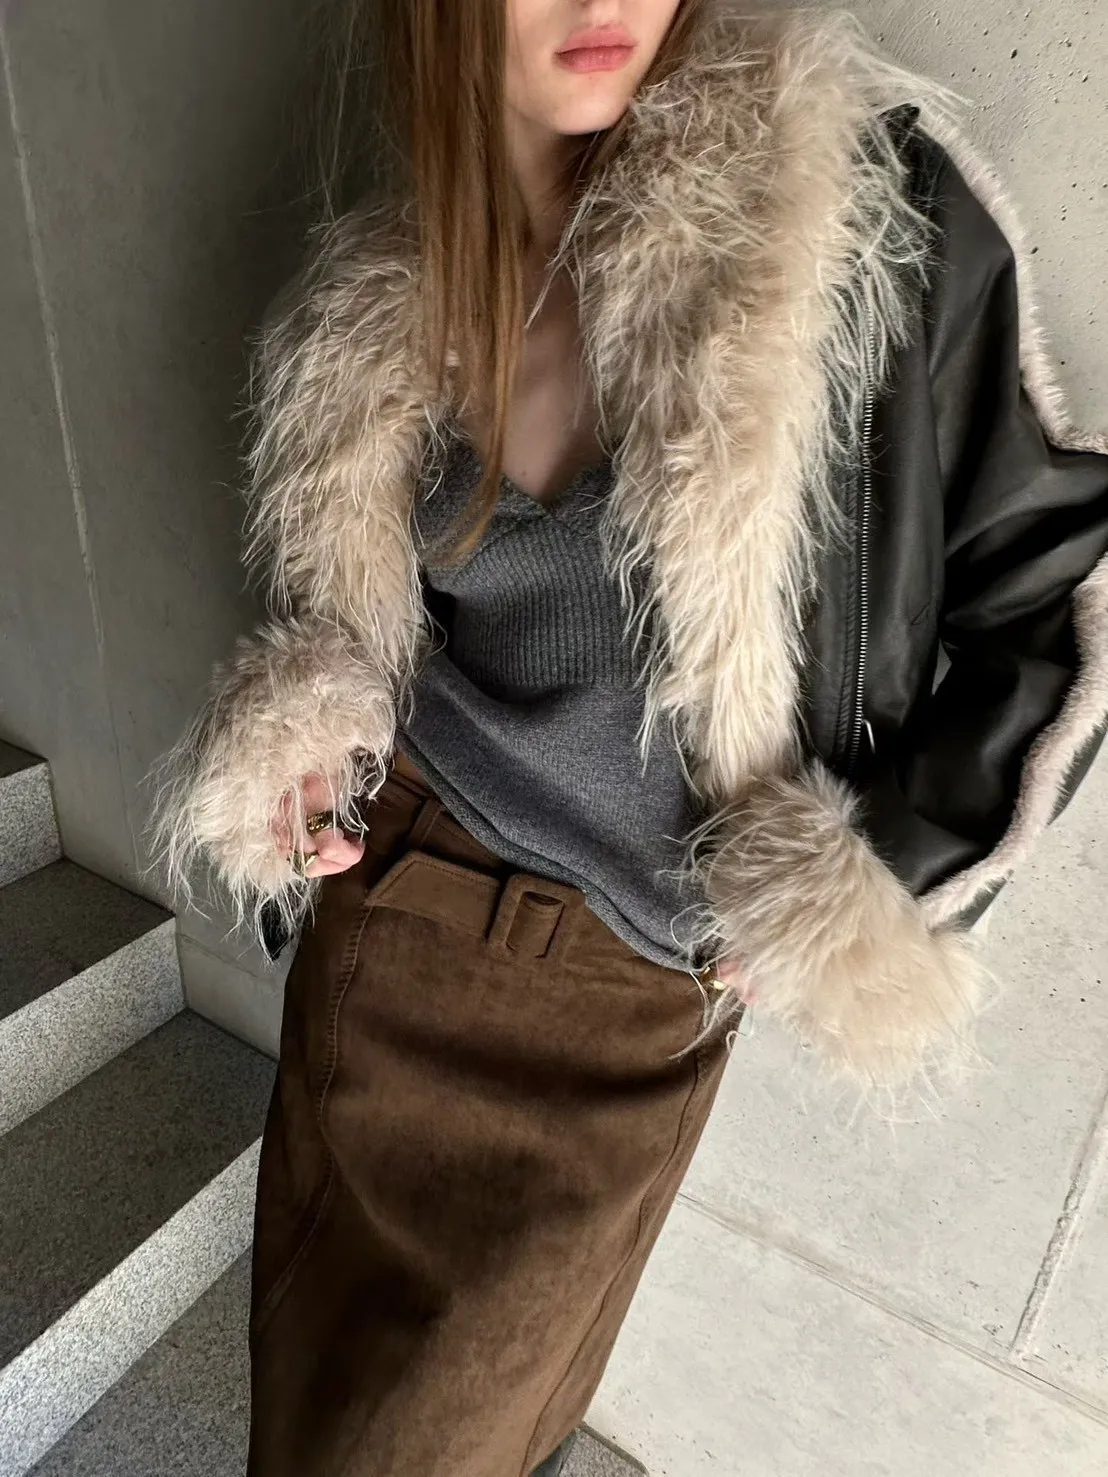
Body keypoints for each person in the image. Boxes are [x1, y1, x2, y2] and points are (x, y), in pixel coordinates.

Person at [146, 2, 1108, 1473]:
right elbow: (363, 635)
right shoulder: (378, 308)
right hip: (394, 927)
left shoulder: (843, 204)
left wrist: (865, 888)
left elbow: (1049, 599)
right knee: (308, 1401)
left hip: (623, 1009)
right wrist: (313, 749)